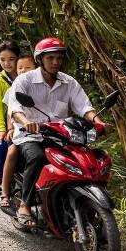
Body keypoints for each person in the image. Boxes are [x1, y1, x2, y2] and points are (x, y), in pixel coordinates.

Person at [6, 37, 104, 229]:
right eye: (50, 58)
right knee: (36, 157)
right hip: (30, 134)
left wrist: (98, 122)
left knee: (86, 160)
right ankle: (25, 205)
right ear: (40, 59)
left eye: (59, 58)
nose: (55, 62)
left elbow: (84, 106)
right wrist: (26, 122)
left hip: (61, 135)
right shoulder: (24, 81)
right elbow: (15, 109)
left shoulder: (69, 82)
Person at [0, 53, 36, 208]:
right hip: (19, 129)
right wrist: (10, 128)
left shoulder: (40, 86)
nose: (23, 71)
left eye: (28, 67)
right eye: (20, 68)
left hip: (39, 130)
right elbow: (9, 112)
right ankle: (4, 191)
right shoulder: (14, 88)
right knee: (12, 151)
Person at [0, 41, 21, 197]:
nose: (6, 63)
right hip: (8, 125)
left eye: (11, 59)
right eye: (2, 59)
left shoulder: (27, 76)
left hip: (29, 122)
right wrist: (0, 129)